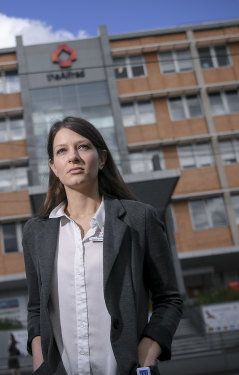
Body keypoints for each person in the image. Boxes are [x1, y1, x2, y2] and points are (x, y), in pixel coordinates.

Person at [22, 117, 183, 375]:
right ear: (54, 166)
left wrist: (149, 348)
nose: (73, 157)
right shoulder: (35, 232)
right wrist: (40, 359)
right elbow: (36, 308)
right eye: (62, 151)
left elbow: (169, 299)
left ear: (102, 158)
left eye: (83, 147)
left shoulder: (139, 219)